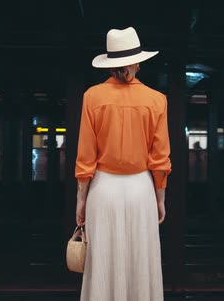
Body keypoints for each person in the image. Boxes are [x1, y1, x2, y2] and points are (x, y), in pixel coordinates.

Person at [75, 27, 171, 301]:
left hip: (103, 189)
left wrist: (81, 199)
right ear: (136, 62)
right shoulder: (156, 100)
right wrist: (160, 197)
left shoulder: (92, 97)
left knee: (103, 263)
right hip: (141, 189)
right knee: (141, 262)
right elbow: (160, 158)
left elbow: (85, 155)